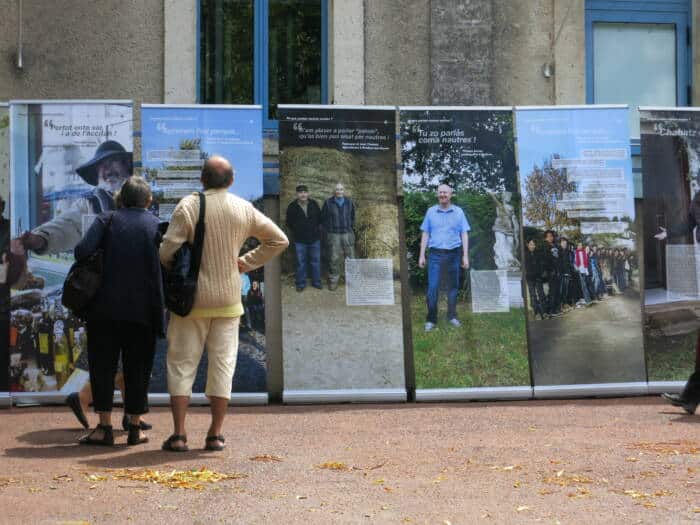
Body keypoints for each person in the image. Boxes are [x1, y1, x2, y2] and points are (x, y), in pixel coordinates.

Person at [160, 156, 288, 452]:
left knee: (181, 364)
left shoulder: (188, 206)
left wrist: (174, 266)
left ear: (202, 180)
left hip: (191, 300)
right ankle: (215, 434)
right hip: (229, 300)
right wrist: (244, 262)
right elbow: (278, 240)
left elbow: (167, 250)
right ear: (231, 181)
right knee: (223, 365)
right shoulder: (243, 207)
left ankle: (179, 435)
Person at [75, 176, 164, 446]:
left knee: (103, 366)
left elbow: (82, 251)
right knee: (138, 368)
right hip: (144, 310)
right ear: (148, 201)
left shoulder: (106, 219)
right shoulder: (157, 225)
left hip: (104, 309)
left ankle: (104, 428)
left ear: (121, 198)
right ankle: (135, 428)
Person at [18, 140, 132, 255]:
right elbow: (68, 224)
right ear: (97, 175)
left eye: (113, 161)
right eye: (100, 165)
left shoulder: (146, 197)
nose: (107, 169)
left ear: (127, 166)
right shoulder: (89, 204)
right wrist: (40, 239)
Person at [655, 191, 700, 414]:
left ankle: (690, 397)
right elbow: (688, 224)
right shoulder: (698, 198)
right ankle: (690, 397)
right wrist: (670, 233)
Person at [418, 184, 470, 331]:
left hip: (454, 254)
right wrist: (422, 255)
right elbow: (426, 234)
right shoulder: (430, 212)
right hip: (435, 255)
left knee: (453, 287)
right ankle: (431, 319)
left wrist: (465, 256)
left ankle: (452, 316)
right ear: (437, 194)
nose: (442, 195)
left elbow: (464, 234)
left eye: (445, 192)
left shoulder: (459, 212)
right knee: (433, 287)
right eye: (440, 192)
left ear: (451, 194)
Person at [286, 185, 322, 291]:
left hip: (314, 239)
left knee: (315, 261)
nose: (303, 194)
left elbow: (320, 219)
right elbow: (289, 223)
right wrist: (298, 230)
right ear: (296, 194)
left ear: (308, 193)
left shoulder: (314, 204)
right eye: (300, 192)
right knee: (301, 262)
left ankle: (316, 282)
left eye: (305, 192)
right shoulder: (292, 206)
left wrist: (316, 231)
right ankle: (301, 283)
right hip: (300, 240)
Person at [321, 183, 355, 291]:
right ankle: (334, 281)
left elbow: (353, 216)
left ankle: (352, 281)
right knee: (334, 258)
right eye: (337, 189)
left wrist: (349, 227)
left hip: (347, 234)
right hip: (334, 234)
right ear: (334, 191)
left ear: (344, 191)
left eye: (341, 189)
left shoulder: (349, 202)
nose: (339, 191)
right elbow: (323, 218)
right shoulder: (328, 203)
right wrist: (329, 230)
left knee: (350, 258)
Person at [524, 239, 546, 320]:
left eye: (533, 244)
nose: (532, 246)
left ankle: (544, 312)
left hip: (538, 277)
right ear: (528, 245)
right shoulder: (525, 255)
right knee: (533, 295)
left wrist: (541, 273)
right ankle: (536, 312)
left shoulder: (538, 254)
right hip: (530, 278)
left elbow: (542, 265)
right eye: (530, 244)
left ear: (535, 245)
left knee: (541, 294)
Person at [542, 230, 561, 317]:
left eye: (551, 236)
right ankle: (550, 310)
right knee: (552, 291)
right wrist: (550, 270)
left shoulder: (555, 245)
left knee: (556, 290)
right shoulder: (545, 246)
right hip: (550, 272)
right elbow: (545, 260)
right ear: (545, 237)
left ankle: (556, 309)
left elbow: (557, 258)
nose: (550, 237)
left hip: (557, 271)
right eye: (548, 236)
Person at [558, 237, 575, 311]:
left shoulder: (568, 252)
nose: (564, 244)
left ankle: (565, 304)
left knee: (566, 290)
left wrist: (569, 272)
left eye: (565, 243)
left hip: (567, 273)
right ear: (560, 243)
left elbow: (569, 263)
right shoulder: (558, 251)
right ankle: (560, 305)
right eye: (563, 243)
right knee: (560, 290)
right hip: (560, 274)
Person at [574, 241, 592, 306]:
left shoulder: (584, 253)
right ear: (577, 246)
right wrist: (577, 269)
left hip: (584, 271)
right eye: (579, 245)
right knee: (583, 286)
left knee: (584, 286)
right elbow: (575, 263)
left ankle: (586, 299)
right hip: (579, 271)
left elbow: (586, 263)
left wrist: (586, 271)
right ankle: (588, 300)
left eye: (581, 245)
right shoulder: (575, 253)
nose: (580, 246)